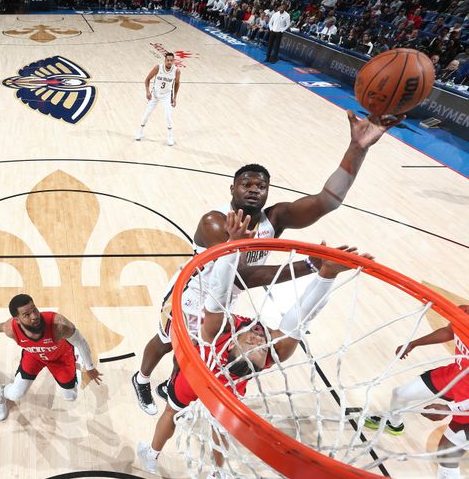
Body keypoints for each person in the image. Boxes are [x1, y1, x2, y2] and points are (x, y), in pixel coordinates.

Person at [131, 110, 404, 416]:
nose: (253, 189)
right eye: (246, 184)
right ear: (233, 189)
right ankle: (141, 378)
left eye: (260, 186)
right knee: (167, 341)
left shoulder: (275, 218)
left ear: (267, 192)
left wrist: (358, 147)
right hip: (192, 294)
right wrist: (311, 266)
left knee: (195, 353)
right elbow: (241, 275)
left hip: (223, 299)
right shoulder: (215, 222)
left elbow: (327, 201)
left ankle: (172, 386)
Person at [136, 211, 370, 475]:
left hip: (194, 375)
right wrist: (327, 275)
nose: (258, 340)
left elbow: (219, 291)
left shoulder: (215, 334)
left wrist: (232, 248)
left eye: (250, 344)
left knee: (172, 412)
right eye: (260, 349)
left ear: (230, 346)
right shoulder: (274, 351)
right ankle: (218, 472)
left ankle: (151, 454)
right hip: (227, 390)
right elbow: (302, 316)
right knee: (220, 425)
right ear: (264, 363)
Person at [364, 307, 469, 479]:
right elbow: (450, 331)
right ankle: (394, 423)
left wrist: (448, 408)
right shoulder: (464, 312)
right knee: (401, 394)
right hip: (454, 377)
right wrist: (414, 343)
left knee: (446, 455)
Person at [0, 293, 103, 420]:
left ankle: (76, 359)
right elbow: (1, 327)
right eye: (27, 315)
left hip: (60, 357)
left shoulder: (59, 324)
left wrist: (90, 368)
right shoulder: (10, 329)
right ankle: (2, 393)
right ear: (17, 320)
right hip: (34, 357)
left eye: (34, 309)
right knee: (16, 394)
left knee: (70, 397)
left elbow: (80, 341)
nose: (34, 316)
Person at [135, 52, 181, 146]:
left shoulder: (176, 71)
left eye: (171, 60)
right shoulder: (158, 68)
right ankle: (140, 132)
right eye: (167, 60)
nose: (169, 62)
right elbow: (147, 79)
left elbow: (176, 84)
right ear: (164, 60)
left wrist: (175, 98)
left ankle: (170, 136)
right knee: (147, 113)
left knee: (168, 116)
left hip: (167, 96)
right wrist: (147, 91)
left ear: (173, 61)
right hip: (155, 94)